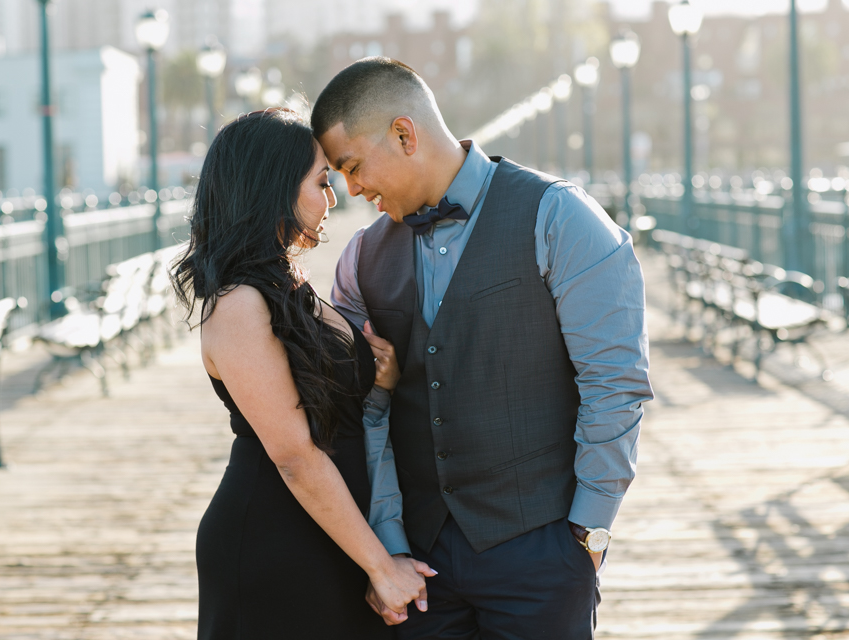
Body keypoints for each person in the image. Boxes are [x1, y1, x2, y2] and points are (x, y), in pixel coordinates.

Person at [313, 57, 654, 639]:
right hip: (419, 569)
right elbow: (364, 410)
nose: (351, 189)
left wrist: (587, 533)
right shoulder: (362, 258)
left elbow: (615, 383)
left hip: (543, 553)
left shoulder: (559, 217)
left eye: (353, 166)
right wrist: (388, 545)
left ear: (403, 134)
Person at [170, 108, 436, 640]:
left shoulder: (285, 283)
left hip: (331, 533)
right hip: (276, 541)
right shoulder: (239, 302)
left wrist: (377, 379)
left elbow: (329, 410)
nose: (332, 199)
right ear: (273, 188)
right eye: (321, 183)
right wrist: (382, 567)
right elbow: (294, 455)